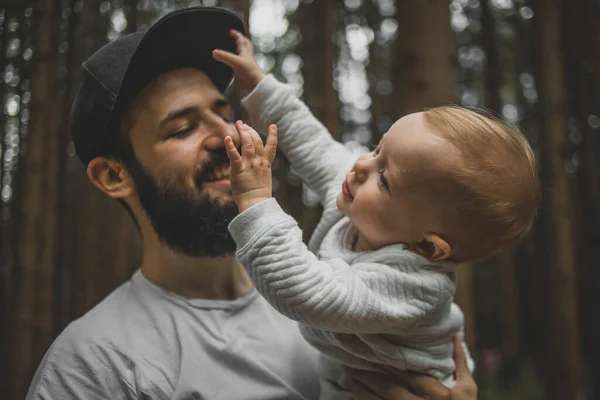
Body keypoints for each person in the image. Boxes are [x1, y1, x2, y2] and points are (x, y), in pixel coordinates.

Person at [25, 6, 477, 400]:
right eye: (182, 128)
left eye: (223, 113)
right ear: (113, 175)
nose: (227, 136)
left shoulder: (341, 284)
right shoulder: (94, 365)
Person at [212, 29, 540, 399]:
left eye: (385, 179)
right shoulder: (366, 202)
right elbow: (314, 145)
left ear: (427, 248)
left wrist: (256, 199)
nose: (362, 165)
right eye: (376, 149)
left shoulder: (414, 287)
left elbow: (304, 292)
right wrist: (260, 86)